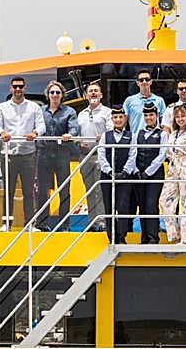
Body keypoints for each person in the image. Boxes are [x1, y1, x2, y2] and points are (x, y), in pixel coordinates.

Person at [0, 76, 46, 229]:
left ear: (25, 88)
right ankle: (6, 223)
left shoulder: (34, 107)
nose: (17, 89)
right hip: (8, 154)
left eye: (20, 86)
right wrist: (2, 133)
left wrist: (35, 133)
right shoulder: (2, 107)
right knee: (7, 191)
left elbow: (41, 126)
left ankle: (29, 224)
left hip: (28, 154)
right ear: (10, 88)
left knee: (29, 191)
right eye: (15, 86)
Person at [121, 103, 167, 244]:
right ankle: (144, 237)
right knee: (142, 205)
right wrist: (136, 170)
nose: (148, 118)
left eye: (151, 115)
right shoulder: (138, 133)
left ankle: (153, 237)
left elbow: (162, 155)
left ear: (156, 116)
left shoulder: (163, 134)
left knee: (151, 204)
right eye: (146, 115)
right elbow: (133, 153)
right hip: (139, 174)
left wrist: (148, 171)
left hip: (155, 174)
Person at [36, 80, 79, 231]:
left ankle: (64, 225)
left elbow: (74, 129)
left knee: (64, 190)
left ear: (62, 95)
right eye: (52, 92)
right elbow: (35, 126)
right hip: (43, 153)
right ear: (47, 95)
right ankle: (41, 223)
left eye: (58, 92)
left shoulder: (69, 112)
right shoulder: (40, 111)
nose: (55, 95)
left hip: (62, 153)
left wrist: (70, 134)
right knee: (42, 190)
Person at [159, 105, 186, 244]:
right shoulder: (172, 134)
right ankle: (174, 234)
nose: (180, 119)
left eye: (182, 116)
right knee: (165, 200)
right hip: (173, 168)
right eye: (177, 117)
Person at [76, 81, 111, 230]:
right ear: (86, 95)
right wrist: (78, 143)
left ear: (101, 95)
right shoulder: (81, 114)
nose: (93, 93)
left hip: (101, 155)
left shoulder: (107, 112)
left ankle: (102, 221)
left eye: (96, 91)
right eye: (91, 91)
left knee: (100, 190)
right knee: (89, 190)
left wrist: (102, 137)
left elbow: (110, 132)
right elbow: (77, 135)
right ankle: (91, 221)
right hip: (85, 156)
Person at [98, 108, 135, 242]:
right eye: (115, 117)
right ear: (112, 119)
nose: (118, 120)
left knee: (123, 205)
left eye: (120, 117)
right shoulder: (105, 136)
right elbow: (101, 154)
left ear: (124, 119)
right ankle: (111, 237)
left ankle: (121, 236)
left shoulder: (131, 136)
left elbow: (132, 154)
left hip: (125, 176)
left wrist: (125, 172)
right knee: (109, 206)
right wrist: (109, 171)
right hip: (108, 176)